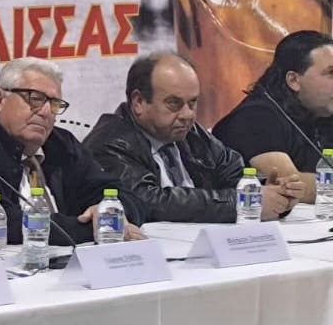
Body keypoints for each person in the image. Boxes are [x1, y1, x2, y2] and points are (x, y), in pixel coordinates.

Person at [0, 57, 143, 244]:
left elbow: (120, 194)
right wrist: (91, 228)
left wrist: (110, 212)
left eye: (55, 103)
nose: (46, 112)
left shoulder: (61, 143)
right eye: (35, 99)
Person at [85, 52, 300, 223]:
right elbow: (148, 202)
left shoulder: (190, 132)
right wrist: (243, 202)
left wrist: (269, 191)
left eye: (193, 103)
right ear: (138, 102)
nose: (187, 114)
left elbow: (233, 173)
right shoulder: (110, 143)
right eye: (174, 103)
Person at [213, 30, 333, 202]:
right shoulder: (255, 118)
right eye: (331, 73)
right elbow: (290, 185)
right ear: (293, 80)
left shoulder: (322, 113)